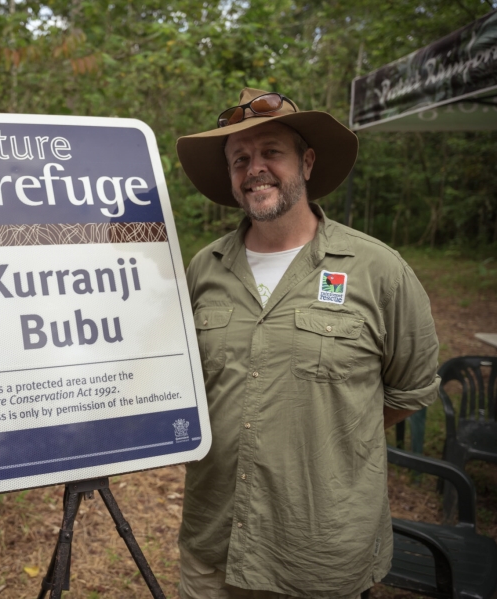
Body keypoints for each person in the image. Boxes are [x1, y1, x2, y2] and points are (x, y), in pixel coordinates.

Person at [174, 88, 440, 598]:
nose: (256, 168)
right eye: (240, 159)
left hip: (320, 555)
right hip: (213, 547)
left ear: (307, 162)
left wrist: (331, 429)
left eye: (271, 152)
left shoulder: (377, 270)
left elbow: (410, 389)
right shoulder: (204, 269)